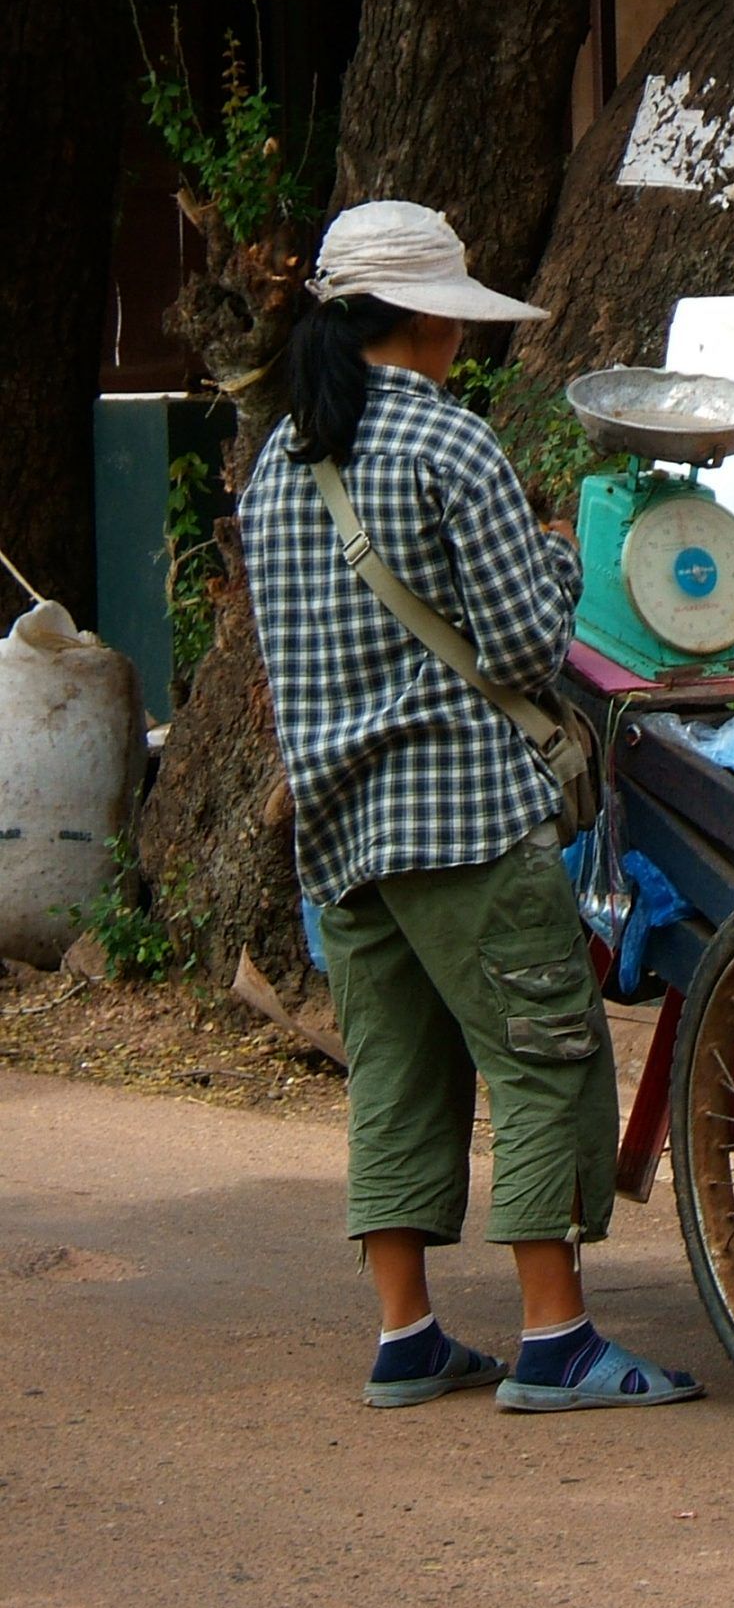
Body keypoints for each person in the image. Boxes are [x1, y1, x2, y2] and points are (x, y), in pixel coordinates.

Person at [238, 200, 700, 1413]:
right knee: (546, 1053)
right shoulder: (451, 446)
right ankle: (556, 1340)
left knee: (396, 1071)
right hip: (458, 818)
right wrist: (561, 554)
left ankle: (408, 1335)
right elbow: (525, 639)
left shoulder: (279, 461)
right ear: (434, 321)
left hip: (341, 836)